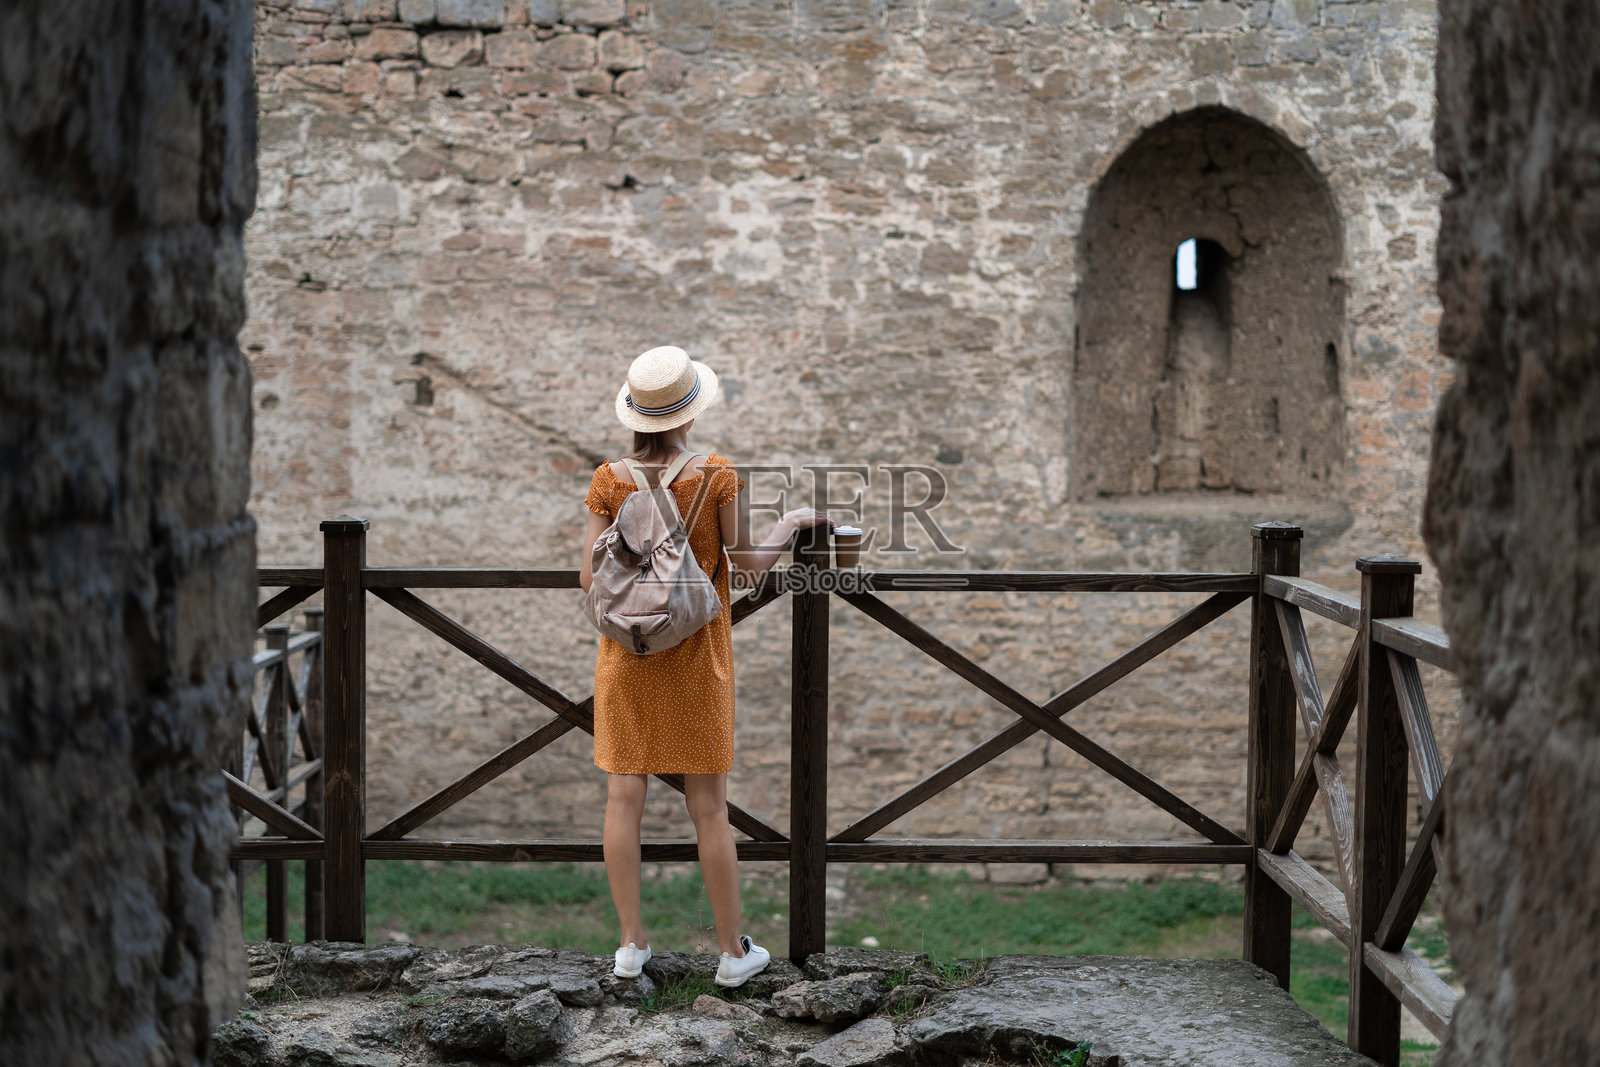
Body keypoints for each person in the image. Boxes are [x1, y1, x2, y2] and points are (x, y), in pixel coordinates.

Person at [579, 345, 831, 987]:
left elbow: (587, 577)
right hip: (697, 656)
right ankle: (731, 953)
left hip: (627, 656)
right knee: (709, 808)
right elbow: (748, 566)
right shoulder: (714, 473)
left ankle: (632, 943)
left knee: (623, 794)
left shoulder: (609, 479)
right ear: (688, 412)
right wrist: (795, 522)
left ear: (636, 415)